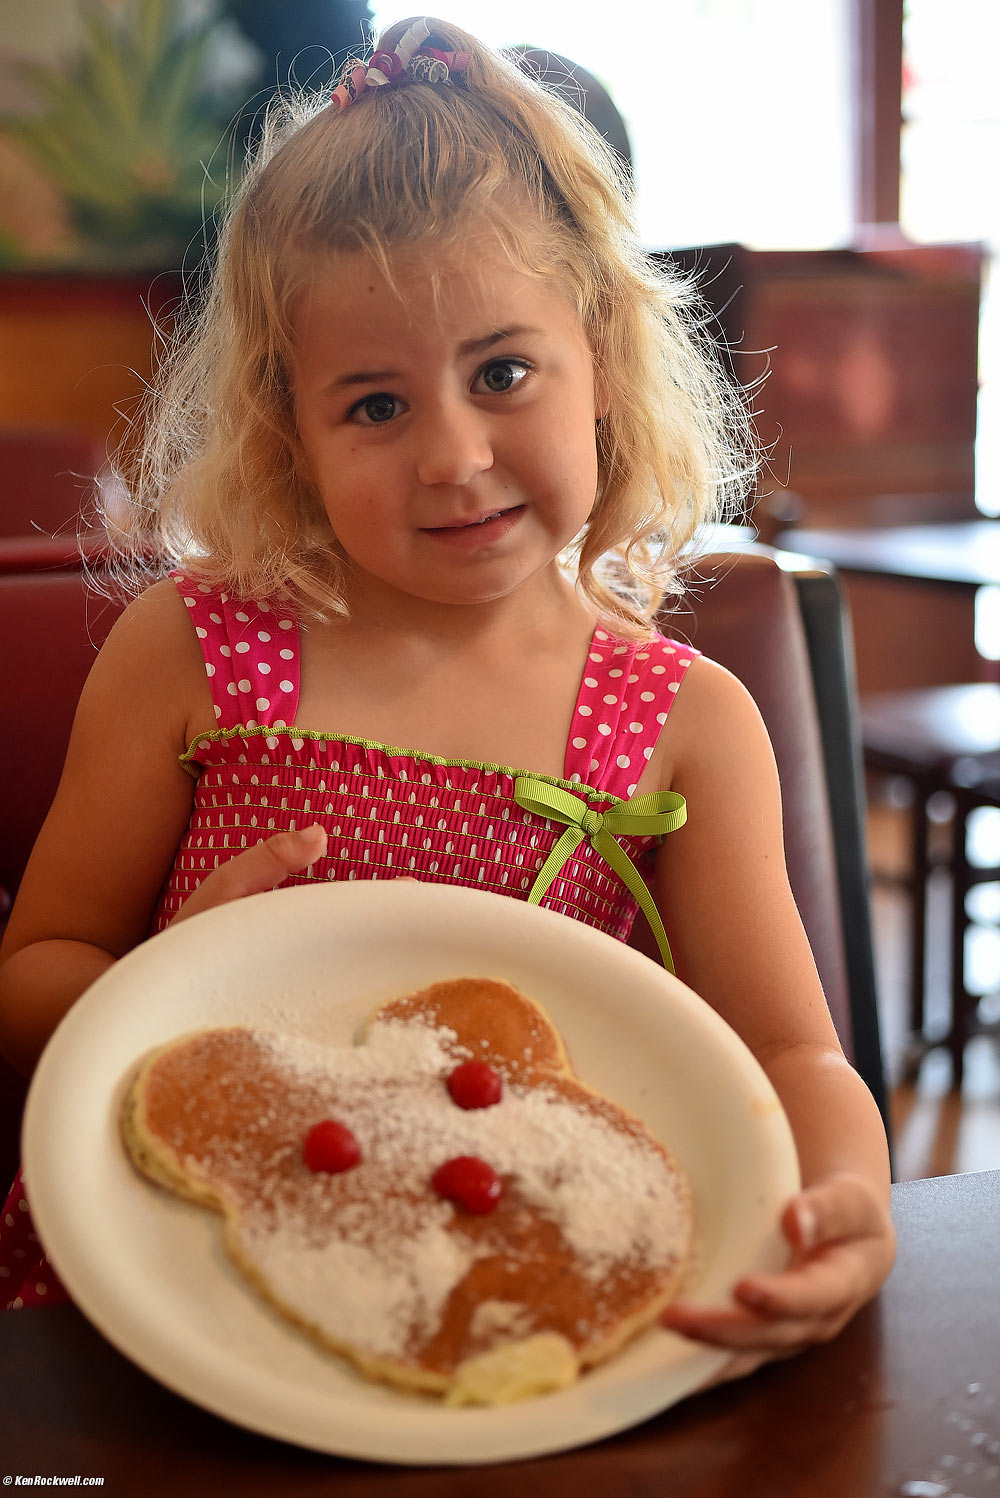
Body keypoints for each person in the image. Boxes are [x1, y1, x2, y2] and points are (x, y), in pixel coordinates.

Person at [0, 15, 893, 1375]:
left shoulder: (684, 724)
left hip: (516, 1309)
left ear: (599, 359)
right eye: (373, 406)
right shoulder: (195, 651)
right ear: (282, 425)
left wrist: (848, 1204)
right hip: (165, 1295)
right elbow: (32, 975)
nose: (454, 455)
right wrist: (155, 988)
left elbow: (791, 1057)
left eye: (501, 372)